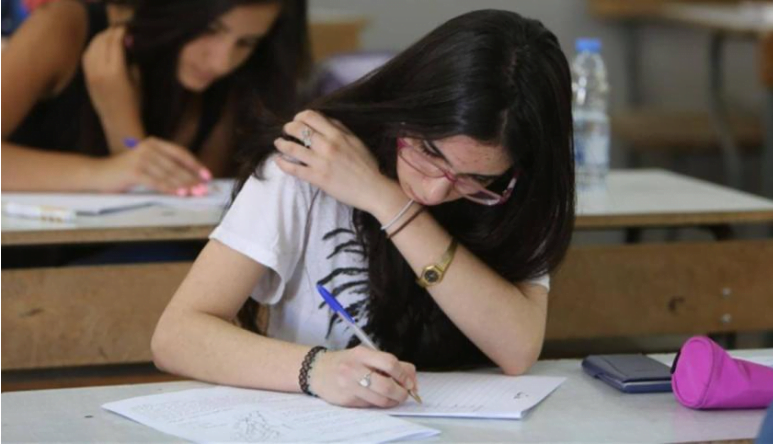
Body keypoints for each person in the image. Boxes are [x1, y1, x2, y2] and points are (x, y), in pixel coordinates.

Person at [152, 9, 575, 409]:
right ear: (405, 106)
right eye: (428, 151)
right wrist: (317, 369)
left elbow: (517, 350)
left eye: (475, 179)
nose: (432, 191)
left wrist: (387, 201)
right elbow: (176, 336)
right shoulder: (309, 165)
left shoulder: (519, 194)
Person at [2, 0, 308, 195]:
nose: (221, 61)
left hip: (130, 258)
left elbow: (178, 209)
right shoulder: (65, 24)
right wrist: (103, 172)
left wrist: (123, 128)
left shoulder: (237, 82)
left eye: (246, 42)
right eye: (210, 29)